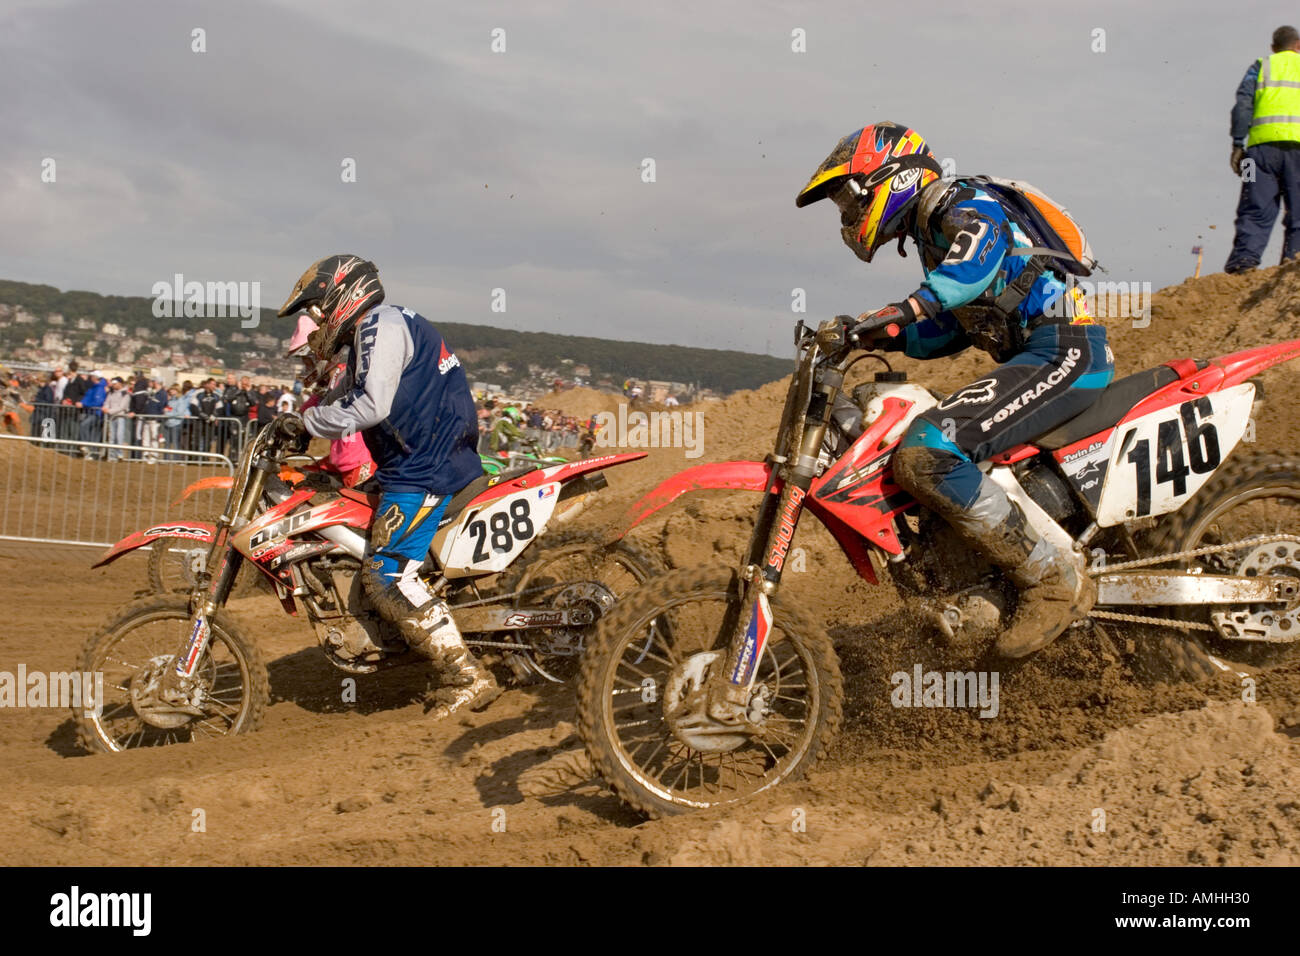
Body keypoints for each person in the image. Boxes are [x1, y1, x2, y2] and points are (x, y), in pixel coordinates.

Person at [796, 121, 1113, 658]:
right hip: (1035, 357)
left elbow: (977, 257)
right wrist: (883, 332)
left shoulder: (958, 201)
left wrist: (909, 306)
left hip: (1064, 351)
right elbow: (950, 328)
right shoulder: (930, 236)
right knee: (918, 448)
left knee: (928, 451)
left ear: (891, 176)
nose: (847, 214)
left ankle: (1051, 581)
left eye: (849, 197)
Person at [275, 254, 499, 717]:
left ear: (342, 295)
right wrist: (304, 418)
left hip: (426, 470)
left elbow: (373, 405)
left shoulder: (379, 325)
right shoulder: (373, 334)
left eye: (317, 310)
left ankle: (466, 675)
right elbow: (356, 394)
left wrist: (309, 420)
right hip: (417, 463)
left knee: (386, 576)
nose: (316, 322)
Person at [1225, 26, 1300, 273]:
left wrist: (1237, 143)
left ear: (1273, 48)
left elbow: (1242, 106)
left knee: (1253, 207)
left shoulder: (1260, 66)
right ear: (1298, 46)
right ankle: (1293, 265)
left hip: (1257, 154)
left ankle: (1243, 265)